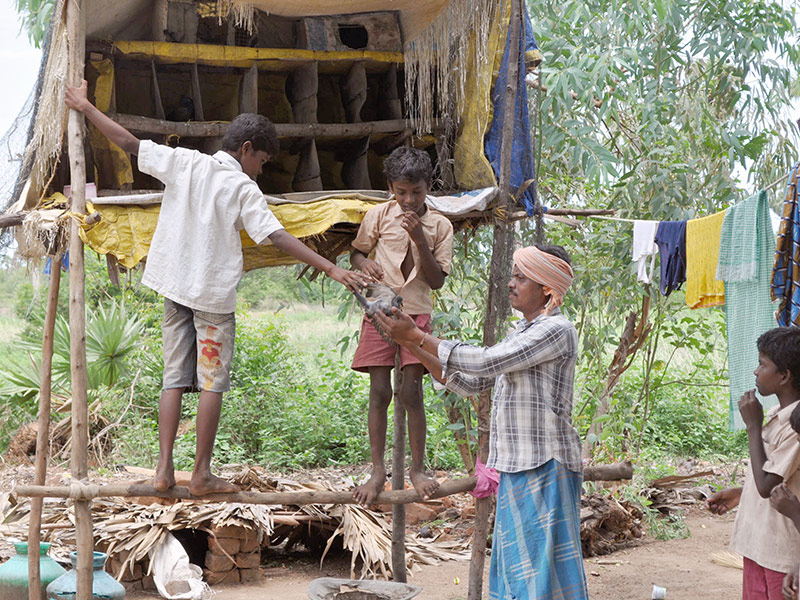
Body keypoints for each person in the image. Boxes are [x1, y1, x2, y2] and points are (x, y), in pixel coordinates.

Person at [64, 80, 369, 496]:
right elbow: (276, 236)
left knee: (173, 378)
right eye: (261, 160)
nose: (260, 169)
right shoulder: (242, 187)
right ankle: (202, 475)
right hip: (211, 298)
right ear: (246, 149)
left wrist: (85, 106)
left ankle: (163, 471)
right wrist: (332, 271)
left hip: (174, 288)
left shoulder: (185, 162)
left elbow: (128, 143)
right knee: (211, 382)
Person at [374, 244, 589, 600]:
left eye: (521, 277)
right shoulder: (522, 330)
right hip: (519, 465)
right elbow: (473, 383)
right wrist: (412, 346)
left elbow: (486, 363)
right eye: (513, 275)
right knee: (519, 571)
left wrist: (416, 336)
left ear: (547, 290)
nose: (511, 283)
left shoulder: (556, 329)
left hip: (546, 465)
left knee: (540, 572)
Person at [349, 146, 453, 505]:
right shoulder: (378, 216)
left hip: (417, 313)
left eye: (417, 192)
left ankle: (417, 469)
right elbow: (357, 252)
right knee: (379, 392)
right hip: (379, 310)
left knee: (411, 393)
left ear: (429, 187)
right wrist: (363, 264)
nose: (409, 200)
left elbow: (437, 280)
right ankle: (378, 470)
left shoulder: (440, 225)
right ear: (391, 187)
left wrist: (419, 237)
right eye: (401, 192)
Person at [707, 327, 800, 600]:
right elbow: (776, 476)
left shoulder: (795, 426)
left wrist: (752, 426)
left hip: (781, 554)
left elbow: (767, 485)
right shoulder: (777, 414)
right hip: (759, 546)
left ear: (784, 376)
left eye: (762, 364)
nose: (756, 372)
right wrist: (740, 493)